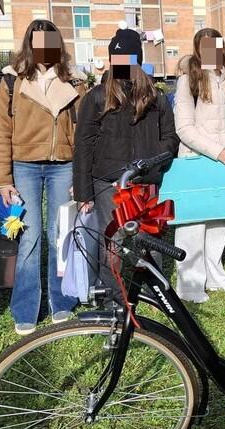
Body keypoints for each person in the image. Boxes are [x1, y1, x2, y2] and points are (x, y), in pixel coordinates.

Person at [0, 19, 89, 335]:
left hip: (64, 166)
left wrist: (81, 174)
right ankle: (24, 308)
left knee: (61, 234)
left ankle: (62, 302)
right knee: (29, 236)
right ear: (30, 45)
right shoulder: (12, 81)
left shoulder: (75, 82)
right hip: (25, 167)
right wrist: (3, 180)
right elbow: (2, 131)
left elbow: (84, 132)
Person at [73, 27, 180, 288]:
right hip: (108, 183)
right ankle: (113, 292)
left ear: (138, 61)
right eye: (117, 59)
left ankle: (156, 289)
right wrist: (83, 192)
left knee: (150, 235)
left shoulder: (156, 97)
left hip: (145, 180)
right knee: (113, 239)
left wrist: (150, 162)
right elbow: (83, 144)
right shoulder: (97, 97)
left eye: (129, 59)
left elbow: (171, 138)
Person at [173, 29, 225, 303]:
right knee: (192, 225)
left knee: (219, 221)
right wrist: (217, 152)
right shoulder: (187, 79)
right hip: (196, 159)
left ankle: (214, 274)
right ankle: (190, 283)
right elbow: (184, 127)